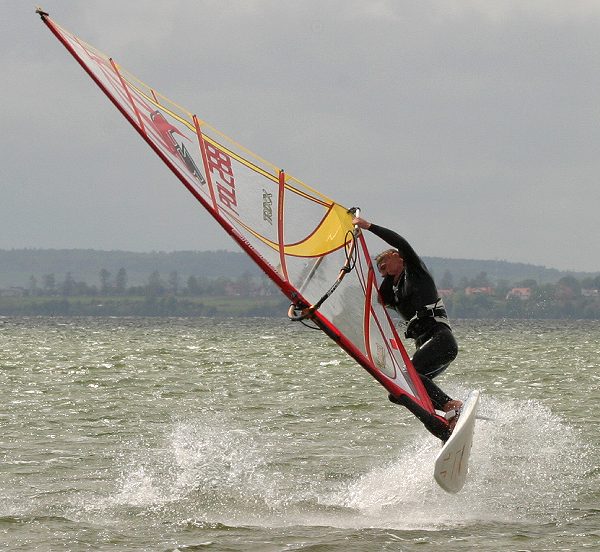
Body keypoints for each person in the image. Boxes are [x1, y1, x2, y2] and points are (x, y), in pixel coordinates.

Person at [352, 216, 462, 437]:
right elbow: (374, 301)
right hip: (427, 346)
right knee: (397, 392)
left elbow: (401, 243)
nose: (381, 268)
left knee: (407, 376)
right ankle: (443, 420)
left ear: (397, 257)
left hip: (441, 340)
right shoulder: (393, 293)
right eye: (379, 268)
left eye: (384, 263)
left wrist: (369, 227)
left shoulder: (415, 271)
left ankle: (451, 406)